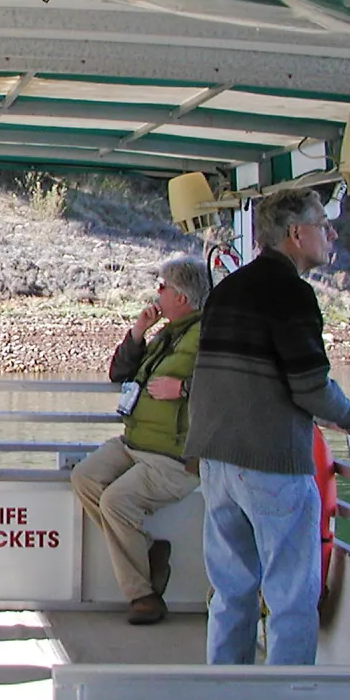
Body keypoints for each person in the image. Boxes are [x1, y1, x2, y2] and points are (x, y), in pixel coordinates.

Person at [185, 188, 350, 665]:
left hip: (216, 460)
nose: (331, 235)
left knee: (231, 589)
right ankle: (288, 697)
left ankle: (225, 688)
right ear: (296, 233)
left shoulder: (228, 289)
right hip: (270, 462)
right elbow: (310, 385)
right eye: (323, 225)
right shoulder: (292, 293)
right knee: (292, 595)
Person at [71, 256, 210, 626]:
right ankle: (148, 551)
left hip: (175, 456)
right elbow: (119, 373)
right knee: (84, 477)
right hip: (134, 442)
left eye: (162, 287)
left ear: (181, 297)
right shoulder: (167, 334)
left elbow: (232, 388)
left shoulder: (209, 335)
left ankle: (142, 595)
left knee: (116, 501)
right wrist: (138, 332)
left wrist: (184, 388)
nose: (156, 294)